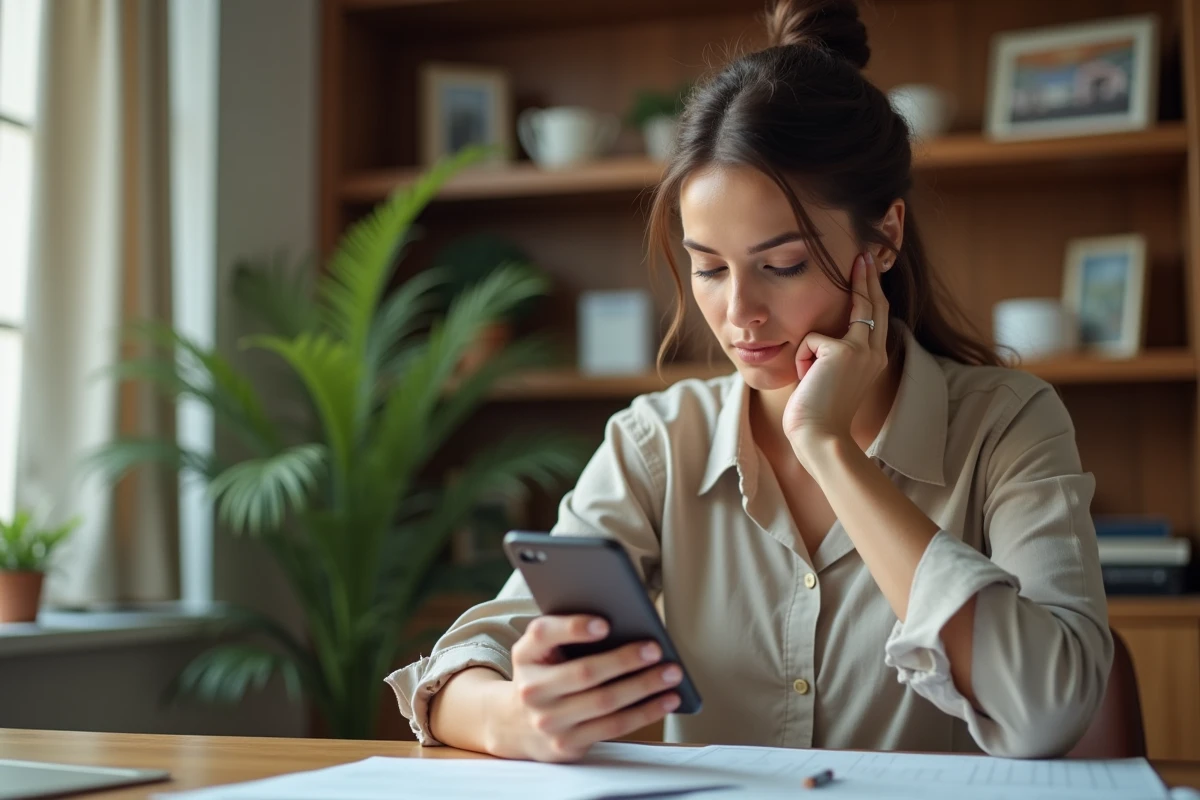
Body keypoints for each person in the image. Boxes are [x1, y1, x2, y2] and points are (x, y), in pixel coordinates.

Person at [386, 0, 1112, 764]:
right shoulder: (661, 441)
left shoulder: (1007, 424)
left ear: (887, 235)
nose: (739, 316)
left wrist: (829, 448)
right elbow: (467, 664)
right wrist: (518, 716)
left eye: (783, 265)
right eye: (708, 267)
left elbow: (1047, 713)